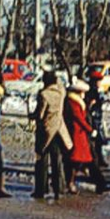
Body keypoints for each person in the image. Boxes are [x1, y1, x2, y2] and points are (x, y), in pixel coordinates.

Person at [63, 79, 110, 194]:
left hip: (80, 135)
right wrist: (90, 129)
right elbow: (79, 118)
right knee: (80, 162)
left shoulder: (75, 101)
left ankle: (100, 184)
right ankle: (99, 184)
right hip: (78, 135)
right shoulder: (73, 102)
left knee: (83, 162)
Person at [31, 70, 72, 200]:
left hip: (46, 131)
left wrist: (32, 116)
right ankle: (58, 188)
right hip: (58, 130)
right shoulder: (61, 92)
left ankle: (41, 189)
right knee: (56, 160)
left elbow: (40, 114)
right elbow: (61, 83)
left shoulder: (44, 95)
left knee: (42, 160)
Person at [86, 68, 109, 169]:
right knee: (95, 139)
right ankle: (95, 160)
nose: (100, 83)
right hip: (93, 117)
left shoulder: (95, 90)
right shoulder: (92, 91)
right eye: (99, 81)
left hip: (98, 117)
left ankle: (99, 159)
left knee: (98, 140)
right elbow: (90, 104)